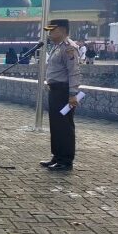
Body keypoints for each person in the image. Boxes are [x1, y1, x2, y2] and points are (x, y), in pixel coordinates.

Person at [40, 19, 81, 171]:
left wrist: (73, 94)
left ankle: (66, 160)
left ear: (63, 30)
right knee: (56, 126)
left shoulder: (69, 48)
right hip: (56, 91)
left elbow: (74, 72)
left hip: (64, 92)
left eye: (52, 30)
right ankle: (57, 156)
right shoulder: (57, 47)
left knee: (65, 126)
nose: (49, 33)